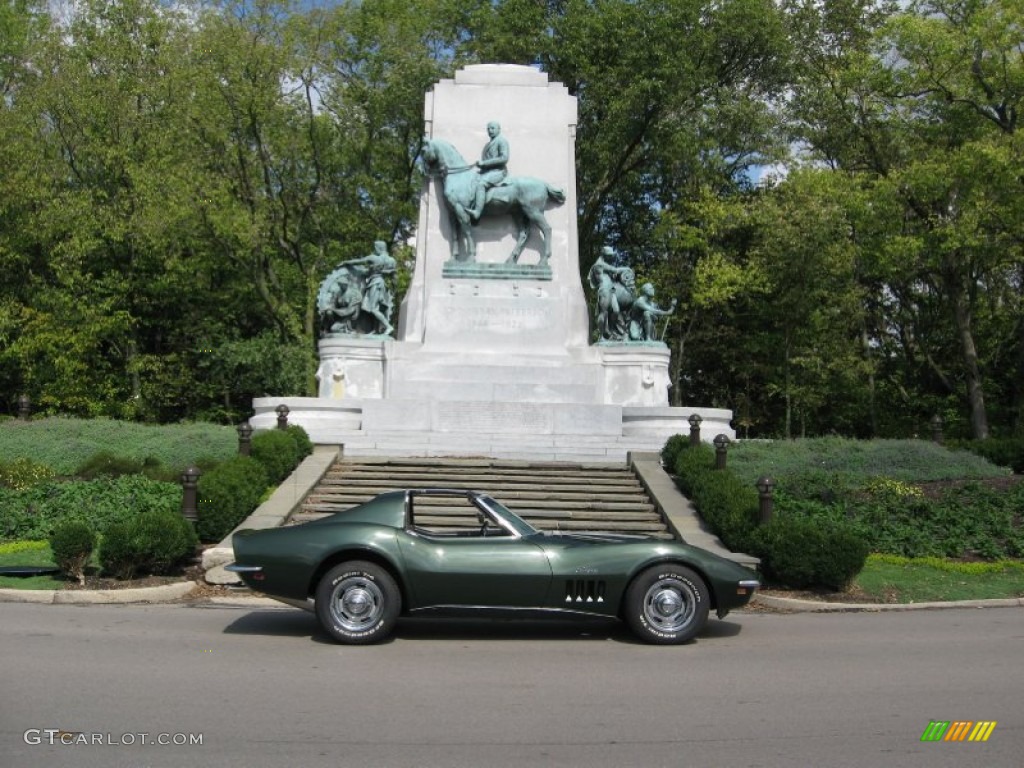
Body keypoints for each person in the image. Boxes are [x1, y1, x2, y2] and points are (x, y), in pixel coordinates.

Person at [467, 121, 509, 222]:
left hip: (498, 171)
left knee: (481, 184)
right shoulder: (487, 145)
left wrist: (485, 163)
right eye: (488, 129)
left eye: (493, 128)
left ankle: (477, 212)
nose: (490, 131)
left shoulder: (501, 141)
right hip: (487, 172)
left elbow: (504, 158)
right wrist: (480, 166)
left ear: (499, 129)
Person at [588, 245, 633, 340]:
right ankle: (601, 336)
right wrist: (627, 268)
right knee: (603, 313)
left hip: (611, 290)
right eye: (609, 255)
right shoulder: (599, 264)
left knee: (616, 311)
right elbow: (615, 270)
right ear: (603, 255)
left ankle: (611, 330)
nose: (611, 257)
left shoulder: (605, 264)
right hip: (604, 290)